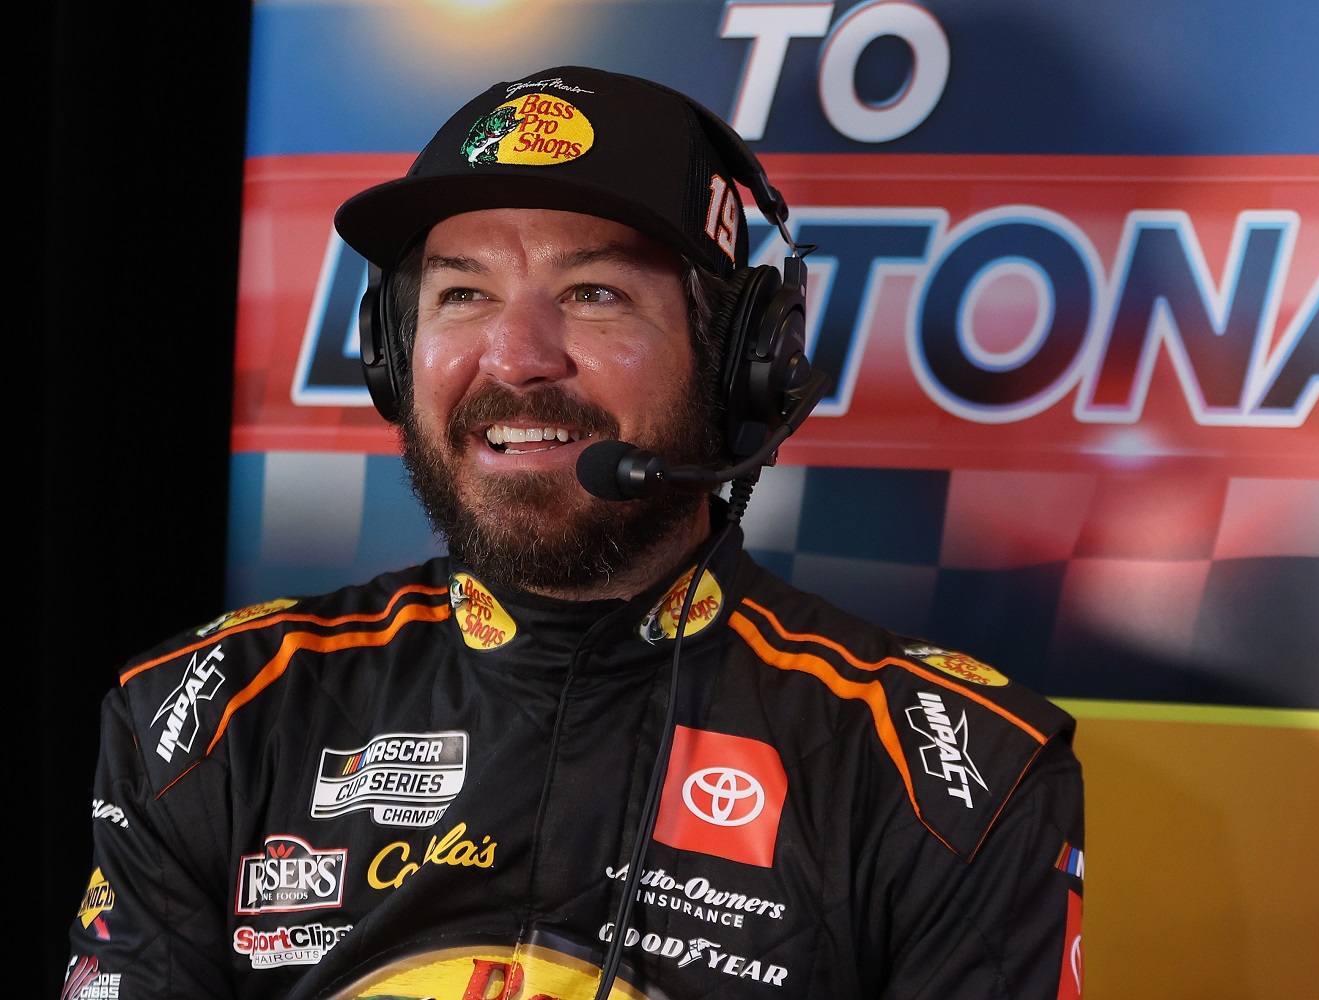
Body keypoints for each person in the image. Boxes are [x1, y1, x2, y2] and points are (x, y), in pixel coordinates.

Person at [63, 65, 1085, 1000]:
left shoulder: (952, 775)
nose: (516, 357)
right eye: (462, 292)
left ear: (742, 368)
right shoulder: (209, 720)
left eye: (594, 293)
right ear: (390, 355)